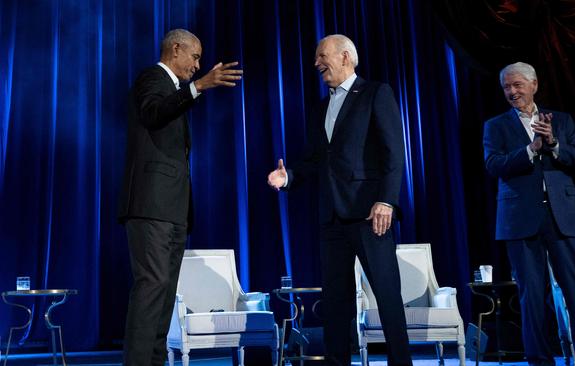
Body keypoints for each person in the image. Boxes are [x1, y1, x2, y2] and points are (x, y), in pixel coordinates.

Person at [267, 34, 412, 366]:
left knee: (387, 296)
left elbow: (394, 153)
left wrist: (386, 201)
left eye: (322, 56)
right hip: (331, 215)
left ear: (345, 57)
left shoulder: (376, 93)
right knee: (335, 301)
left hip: (370, 213)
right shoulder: (320, 107)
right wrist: (288, 176)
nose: (317, 63)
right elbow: (316, 160)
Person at [117, 28, 243, 366]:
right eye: (195, 57)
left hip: (172, 209)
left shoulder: (175, 90)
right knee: (152, 287)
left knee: (164, 294)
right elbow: (152, 113)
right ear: (176, 49)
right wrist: (199, 86)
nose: (198, 65)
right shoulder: (152, 77)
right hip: (150, 206)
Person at [483, 62, 575, 366]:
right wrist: (530, 150)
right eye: (507, 87)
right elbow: (493, 165)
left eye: (517, 85)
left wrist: (553, 143)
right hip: (521, 219)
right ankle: (539, 360)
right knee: (531, 295)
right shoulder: (495, 126)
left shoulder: (561, 120)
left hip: (564, 217)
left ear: (534, 85)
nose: (512, 91)